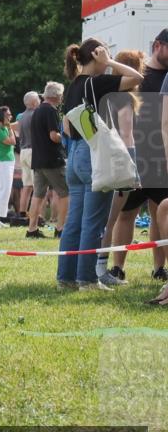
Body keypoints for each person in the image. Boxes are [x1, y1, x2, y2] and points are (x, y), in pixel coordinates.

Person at [57, 39, 143, 290]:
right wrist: (110, 62)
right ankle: (87, 279)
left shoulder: (73, 85)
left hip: (73, 156)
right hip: (93, 153)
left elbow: (65, 125)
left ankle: (66, 278)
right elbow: (136, 77)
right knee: (94, 222)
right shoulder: (98, 82)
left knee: (74, 222)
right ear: (96, 55)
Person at [107, 31, 168, 285]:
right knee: (126, 214)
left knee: (159, 213)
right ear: (158, 46)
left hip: (162, 158)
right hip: (135, 156)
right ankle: (117, 267)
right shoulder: (139, 78)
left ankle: (159, 268)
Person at [26, 82, 70, 239]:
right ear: (57, 96)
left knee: (38, 195)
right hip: (52, 160)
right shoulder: (51, 111)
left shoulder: (36, 111)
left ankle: (31, 229)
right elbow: (53, 136)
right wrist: (65, 136)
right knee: (66, 193)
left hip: (38, 160)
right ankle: (61, 228)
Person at [14, 91, 41, 217]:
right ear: (35, 102)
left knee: (27, 186)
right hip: (33, 151)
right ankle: (37, 215)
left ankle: (22, 213)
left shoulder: (21, 117)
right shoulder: (36, 114)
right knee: (38, 186)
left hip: (23, 151)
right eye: (38, 100)